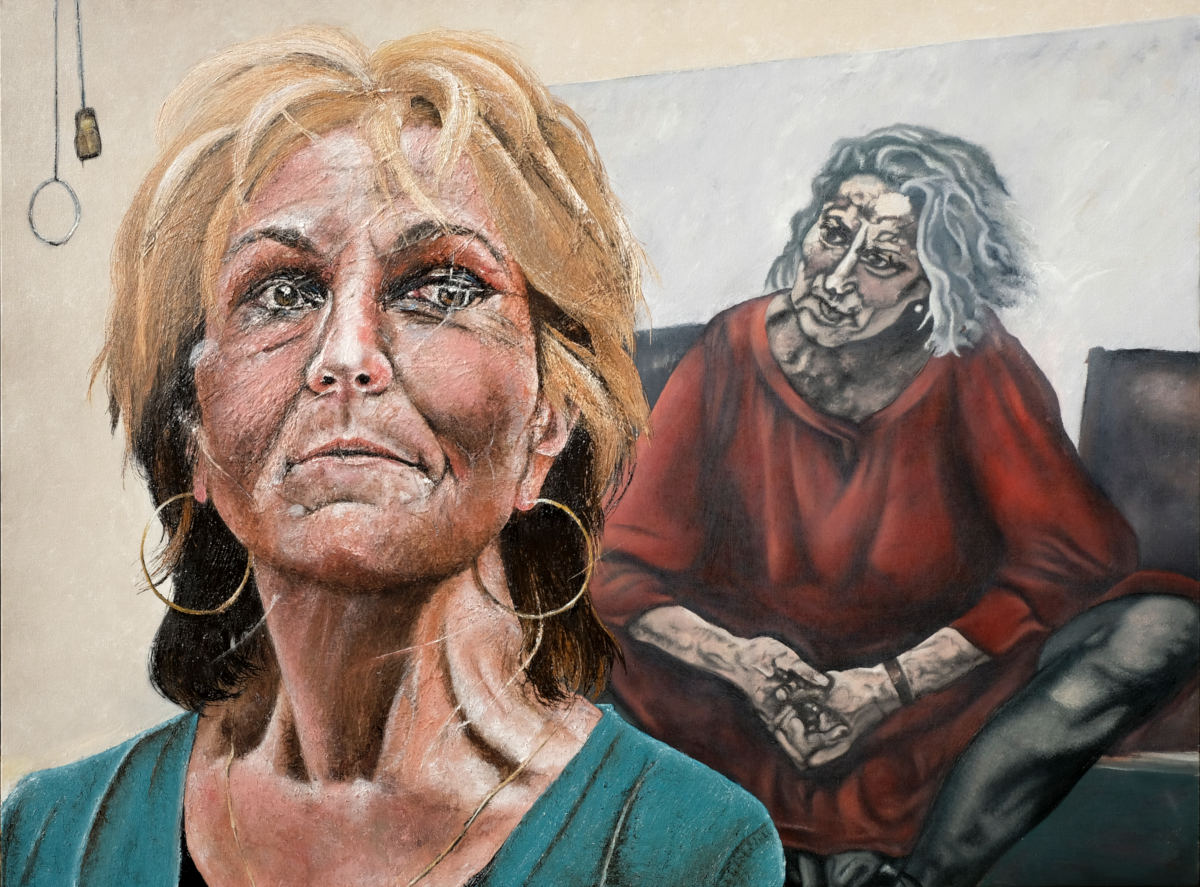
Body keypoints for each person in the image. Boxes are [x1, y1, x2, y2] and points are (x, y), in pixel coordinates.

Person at [0, 28, 784, 887]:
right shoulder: (47, 840)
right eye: (281, 291)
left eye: (442, 287)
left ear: (550, 417)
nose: (347, 353)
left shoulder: (690, 849)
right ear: (195, 430)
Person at [591, 125, 1198, 887]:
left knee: (1163, 628)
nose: (835, 277)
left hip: (926, 696)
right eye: (833, 234)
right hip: (742, 695)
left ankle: (914, 882)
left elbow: (1075, 556)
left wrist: (888, 684)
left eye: (880, 260)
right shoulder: (732, 348)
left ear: (933, 287)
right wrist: (746, 663)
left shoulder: (971, 361)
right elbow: (618, 564)